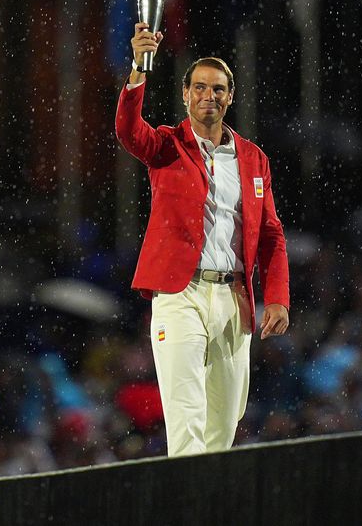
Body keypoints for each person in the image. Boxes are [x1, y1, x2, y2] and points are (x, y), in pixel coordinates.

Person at [115, 23, 291, 456]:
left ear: (230, 96)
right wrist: (139, 65)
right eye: (199, 87)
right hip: (181, 292)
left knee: (223, 422)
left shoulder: (253, 159)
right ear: (184, 94)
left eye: (217, 89)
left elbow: (271, 233)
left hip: (233, 299)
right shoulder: (166, 146)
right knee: (186, 414)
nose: (207, 96)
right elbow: (127, 130)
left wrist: (279, 298)